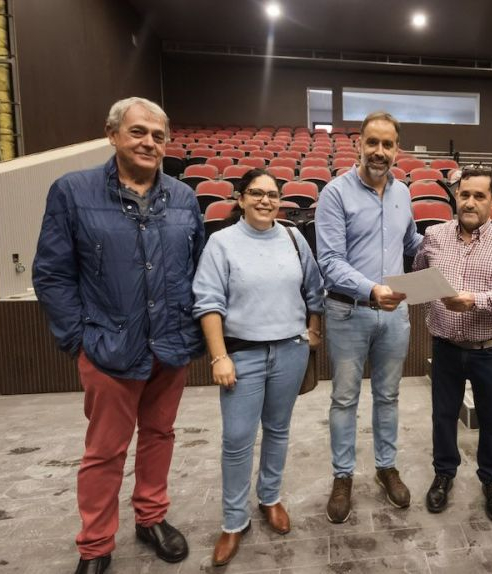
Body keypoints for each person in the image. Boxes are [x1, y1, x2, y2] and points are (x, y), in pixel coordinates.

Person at [32, 97, 203, 574]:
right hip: (108, 347)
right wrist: (78, 339)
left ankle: (151, 518)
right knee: (105, 451)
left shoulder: (184, 198)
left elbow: (196, 269)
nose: (149, 142)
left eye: (158, 135)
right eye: (138, 132)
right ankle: (95, 544)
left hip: (170, 345)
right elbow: (52, 274)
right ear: (112, 135)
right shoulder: (72, 191)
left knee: (159, 436)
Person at [192, 168, 324, 567]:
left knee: (278, 430)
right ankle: (234, 521)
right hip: (241, 355)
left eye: (272, 194)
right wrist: (219, 356)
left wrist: (313, 330)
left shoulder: (293, 237)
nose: (266, 200)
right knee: (237, 439)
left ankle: (270, 497)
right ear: (240, 198)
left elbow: (314, 288)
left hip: (290, 351)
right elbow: (208, 301)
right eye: (256, 193)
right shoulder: (221, 242)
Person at [315, 111, 421, 522]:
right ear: (358, 143)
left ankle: (385, 467)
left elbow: (411, 242)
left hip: (394, 315)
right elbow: (330, 262)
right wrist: (372, 289)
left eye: (387, 144)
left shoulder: (403, 193)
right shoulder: (335, 193)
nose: (379, 151)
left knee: (388, 396)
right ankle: (343, 475)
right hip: (349, 312)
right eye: (372, 142)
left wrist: (456, 241)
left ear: (397, 149)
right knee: (344, 398)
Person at [413, 164, 492, 522]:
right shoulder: (434, 235)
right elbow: (419, 274)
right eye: (465, 194)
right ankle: (443, 474)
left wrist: (474, 300)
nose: (470, 202)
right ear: (456, 196)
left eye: (479, 196)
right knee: (443, 416)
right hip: (445, 347)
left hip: (489, 350)